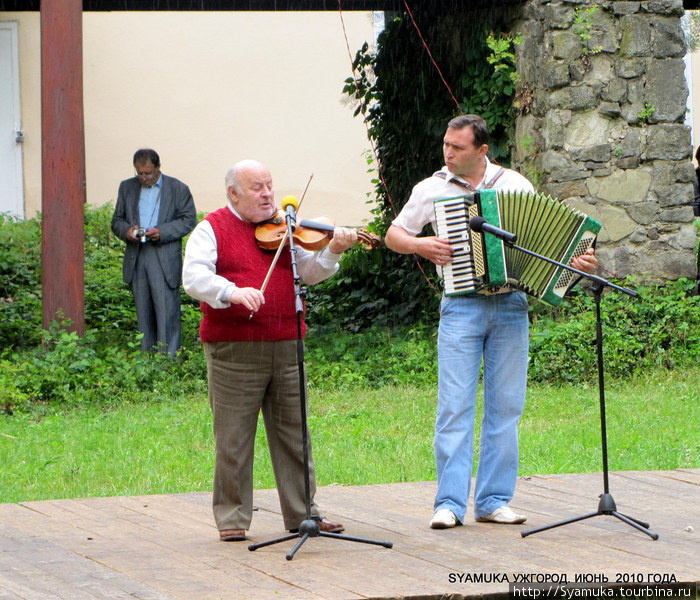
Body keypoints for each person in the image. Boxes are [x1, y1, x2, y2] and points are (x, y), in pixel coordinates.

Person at [385, 114, 598, 530]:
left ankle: (494, 500)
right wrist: (421, 244)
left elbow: (544, 248)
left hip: (511, 305)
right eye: (446, 144)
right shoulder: (431, 188)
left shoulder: (515, 185)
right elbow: (394, 235)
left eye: (457, 147)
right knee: (454, 407)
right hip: (460, 306)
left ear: (482, 150)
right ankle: (448, 504)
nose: (448, 152)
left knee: (506, 407)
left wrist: (577, 264)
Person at [182, 159, 357, 542]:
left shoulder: (286, 225)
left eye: (269, 186)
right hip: (234, 349)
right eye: (257, 188)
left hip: (287, 343)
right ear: (233, 193)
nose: (267, 195)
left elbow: (310, 271)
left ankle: (304, 514)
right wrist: (231, 291)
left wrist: (334, 252)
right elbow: (193, 277)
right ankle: (232, 517)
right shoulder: (211, 228)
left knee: (295, 434)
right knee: (234, 437)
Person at [111, 148, 197, 357]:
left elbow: (189, 220)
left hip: (164, 255)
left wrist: (163, 231)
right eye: (139, 173)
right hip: (138, 254)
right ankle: (147, 359)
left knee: (166, 309)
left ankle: (169, 360)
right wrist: (128, 231)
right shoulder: (127, 187)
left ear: (158, 168)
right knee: (143, 310)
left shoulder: (178, 188)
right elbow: (116, 221)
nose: (144, 178)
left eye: (148, 173)